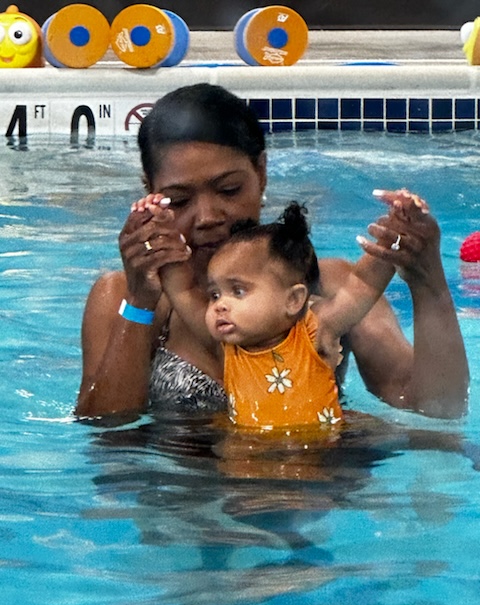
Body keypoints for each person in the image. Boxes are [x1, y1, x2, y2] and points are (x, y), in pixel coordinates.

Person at [75, 83, 469, 420]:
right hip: (177, 480)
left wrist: (428, 280)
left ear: (261, 173)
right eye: (179, 200)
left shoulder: (327, 286)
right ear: (150, 191)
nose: (208, 217)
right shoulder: (124, 297)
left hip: (318, 477)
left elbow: (436, 408)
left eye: (229, 190)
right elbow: (107, 430)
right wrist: (141, 300)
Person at [154, 200, 401, 430]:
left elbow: (363, 284)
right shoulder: (228, 348)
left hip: (318, 453)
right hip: (247, 454)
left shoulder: (314, 332)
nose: (220, 305)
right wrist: (160, 230)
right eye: (215, 294)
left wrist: (395, 237)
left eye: (238, 291)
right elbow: (183, 290)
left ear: (293, 300)